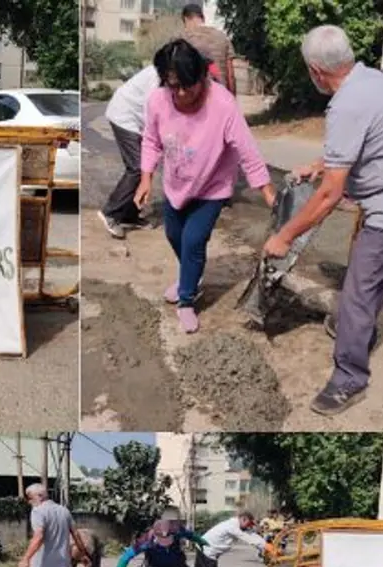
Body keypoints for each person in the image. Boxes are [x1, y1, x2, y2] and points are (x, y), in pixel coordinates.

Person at [264, 25, 383, 416]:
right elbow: (361, 144)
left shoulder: (347, 104)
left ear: (316, 70)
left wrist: (284, 236)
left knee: (358, 291)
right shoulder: (372, 81)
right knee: (374, 281)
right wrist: (320, 164)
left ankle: (350, 378)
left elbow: (329, 196)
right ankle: (358, 332)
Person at [136, 40, 276, 334]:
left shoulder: (222, 104)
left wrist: (266, 189)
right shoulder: (158, 101)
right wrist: (146, 177)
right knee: (174, 235)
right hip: (176, 185)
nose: (181, 93)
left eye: (187, 85)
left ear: (201, 76)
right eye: (174, 86)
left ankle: (187, 299)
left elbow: (246, 149)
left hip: (212, 187)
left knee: (193, 240)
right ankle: (191, 275)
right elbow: (151, 140)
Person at [98, 64, 161, 239]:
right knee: (138, 168)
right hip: (124, 117)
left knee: (145, 168)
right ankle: (111, 213)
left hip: (135, 119)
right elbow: (153, 111)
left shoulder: (170, 73)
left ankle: (129, 215)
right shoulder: (159, 76)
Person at [181, 4, 235, 93]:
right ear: (203, 18)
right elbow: (230, 75)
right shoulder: (222, 37)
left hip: (194, 96)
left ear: (186, 19)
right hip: (220, 93)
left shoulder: (182, 40)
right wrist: (231, 98)